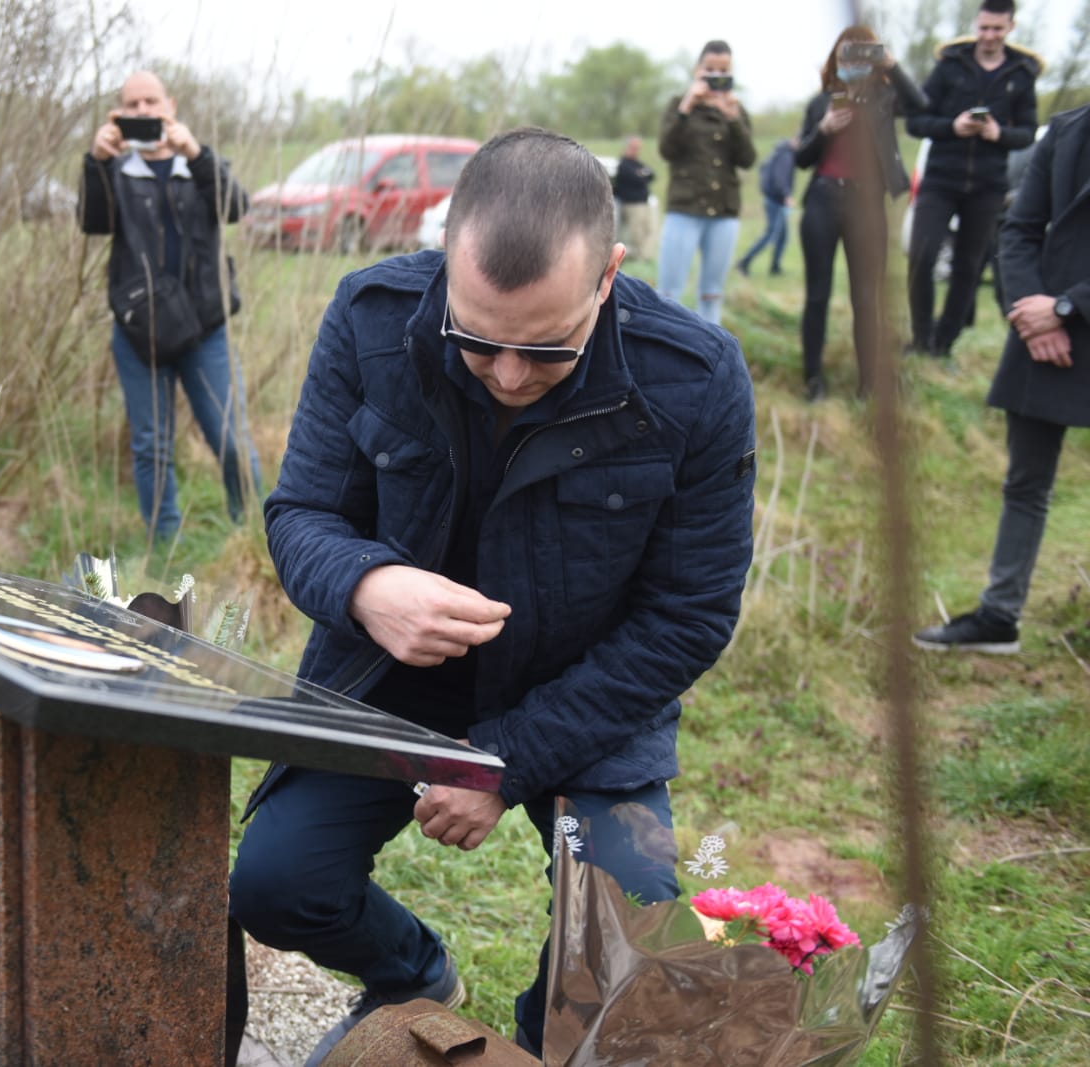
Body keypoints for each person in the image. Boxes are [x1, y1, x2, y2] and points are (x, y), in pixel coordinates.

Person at [228, 129, 757, 1063]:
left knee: (623, 940)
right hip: (396, 680)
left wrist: (499, 761)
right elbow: (301, 512)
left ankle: (529, 1046)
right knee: (274, 883)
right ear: (444, 263)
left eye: (548, 349)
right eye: (478, 342)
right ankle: (411, 974)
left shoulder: (695, 380)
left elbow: (690, 615)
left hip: (587, 695)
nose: (510, 376)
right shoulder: (369, 317)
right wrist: (367, 583)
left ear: (609, 274)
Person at [914, 104, 1090, 654]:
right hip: (1043, 331)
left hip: (1065, 313)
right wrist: (1033, 316)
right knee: (1025, 484)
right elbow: (1017, 229)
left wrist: (1067, 308)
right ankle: (999, 616)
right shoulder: (1066, 131)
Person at [79, 70, 263, 542]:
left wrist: (196, 154)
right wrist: (95, 164)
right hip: (141, 333)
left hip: (206, 329)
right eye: (132, 105)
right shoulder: (116, 172)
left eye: (151, 102)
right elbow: (93, 223)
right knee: (151, 446)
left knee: (229, 439)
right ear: (118, 116)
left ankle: (254, 532)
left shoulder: (197, 164)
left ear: (171, 107)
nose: (143, 111)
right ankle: (165, 543)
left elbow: (237, 208)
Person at [792, 27, 927, 401]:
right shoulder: (822, 101)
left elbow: (922, 106)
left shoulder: (885, 96)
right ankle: (813, 380)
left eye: (861, 55)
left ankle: (869, 384)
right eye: (846, 54)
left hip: (867, 205)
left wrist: (892, 65)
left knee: (867, 297)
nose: (852, 62)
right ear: (836, 57)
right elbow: (801, 158)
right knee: (817, 295)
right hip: (822, 200)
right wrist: (822, 131)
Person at [904, 0, 1039, 359]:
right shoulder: (949, 66)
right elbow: (916, 122)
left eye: (997, 29)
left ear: (1010, 27)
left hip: (988, 185)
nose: (989, 36)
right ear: (976, 24)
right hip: (940, 178)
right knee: (921, 254)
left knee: (968, 267)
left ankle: (942, 345)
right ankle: (920, 338)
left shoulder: (1021, 74)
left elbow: (1028, 133)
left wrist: (998, 134)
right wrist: (953, 126)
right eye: (984, 28)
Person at [656, 40, 756, 326]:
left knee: (712, 293)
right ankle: (663, 352)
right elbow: (666, 149)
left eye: (722, 70)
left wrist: (734, 119)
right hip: (684, 208)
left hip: (723, 211)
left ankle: (709, 359)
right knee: (668, 292)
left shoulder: (736, 111)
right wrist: (687, 107)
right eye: (709, 69)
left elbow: (747, 158)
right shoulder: (678, 105)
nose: (715, 75)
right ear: (697, 69)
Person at [737, 138, 797, 278]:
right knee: (770, 235)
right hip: (776, 201)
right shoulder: (786, 155)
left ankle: (775, 267)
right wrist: (786, 195)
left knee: (782, 236)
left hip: (772, 199)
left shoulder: (778, 152)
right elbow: (780, 177)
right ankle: (744, 262)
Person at [612, 135, 656, 259]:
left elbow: (652, 174)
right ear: (627, 147)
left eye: (638, 147)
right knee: (637, 233)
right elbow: (636, 179)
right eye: (633, 147)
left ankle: (645, 256)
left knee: (648, 230)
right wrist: (642, 174)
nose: (636, 150)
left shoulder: (637, 163)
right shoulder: (624, 164)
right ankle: (638, 258)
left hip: (643, 203)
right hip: (632, 205)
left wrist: (642, 174)